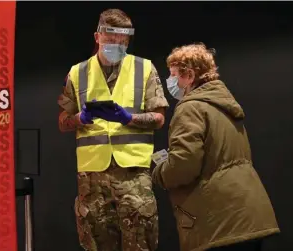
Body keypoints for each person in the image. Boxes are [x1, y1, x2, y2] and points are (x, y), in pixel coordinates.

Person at [57, 8, 169, 251]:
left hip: (134, 177)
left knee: (140, 242)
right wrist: (79, 118)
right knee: (96, 244)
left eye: (123, 41)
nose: (117, 45)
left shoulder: (145, 69)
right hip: (92, 180)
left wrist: (129, 118)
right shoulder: (77, 73)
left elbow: (159, 118)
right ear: (97, 37)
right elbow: (63, 120)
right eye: (111, 40)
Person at [152, 43, 280, 251]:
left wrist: (160, 172)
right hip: (249, 213)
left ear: (190, 76)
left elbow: (184, 166)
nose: (170, 81)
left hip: (220, 221)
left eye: (174, 74)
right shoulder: (225, 105)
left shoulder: (190, 108)